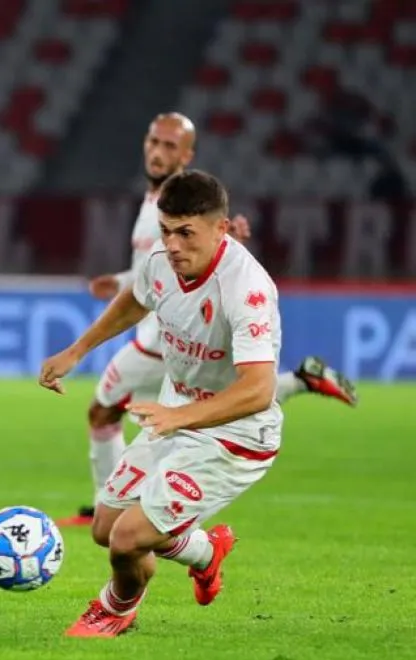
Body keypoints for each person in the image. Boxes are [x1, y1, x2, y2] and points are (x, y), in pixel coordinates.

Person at [59, 113, 358, 529]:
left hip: (164, 337)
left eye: (169, 146)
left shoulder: (176, 208)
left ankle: (114, 506)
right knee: (158, 404)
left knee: (106, 410)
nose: (158, 152)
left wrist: (224, 246)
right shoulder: (157, 204)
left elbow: (194, 263)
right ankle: (299, 381)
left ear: (186, 154)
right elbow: (154, 270)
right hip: (167, 330)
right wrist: (123, 280)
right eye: (153, 142)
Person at [40, 169, 284, 637]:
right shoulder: (161, 261)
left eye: (186, 233)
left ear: (221, 228)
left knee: (127, 540)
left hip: (235, 438)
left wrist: (179, 416)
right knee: (104, 528)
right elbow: (136, 298)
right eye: (166, 230)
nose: (172, 245)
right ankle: (206, 553)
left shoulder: (247, 288)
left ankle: (115, 609)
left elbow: (259, 389)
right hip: (179, 417)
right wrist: (77, 351)